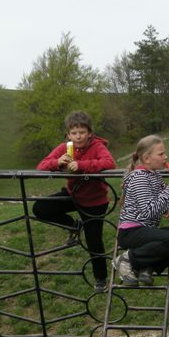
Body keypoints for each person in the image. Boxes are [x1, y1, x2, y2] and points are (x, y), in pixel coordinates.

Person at [34, 111, 116, 293]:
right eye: (74, 133)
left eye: (82, 132)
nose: (78, 136)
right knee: (40, 208)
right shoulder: (65, 147)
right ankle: (73, 225)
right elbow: (41, 166)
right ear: (68, 134)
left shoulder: (97, 146)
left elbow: (110, 163)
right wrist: (58, 162)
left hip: (95, 201)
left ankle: (101, 279)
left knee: (94, 241)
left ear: (89, 133)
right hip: (73, 194)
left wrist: (82, 165)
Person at [114, 135, 169, 286]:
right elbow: (150, 211)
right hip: (131, 232)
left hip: (147, 230)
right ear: (147, 158)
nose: (166, 157)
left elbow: (164, 198)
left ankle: (147, 267)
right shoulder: (139, 178)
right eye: (161, 154)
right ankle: (128, 259)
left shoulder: (154, 175)